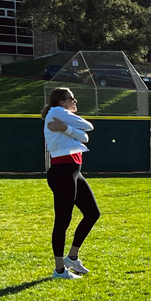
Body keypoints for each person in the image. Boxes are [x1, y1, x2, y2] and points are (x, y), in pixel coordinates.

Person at [42, 88, 100, 280]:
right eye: (71, 98)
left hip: (72, 171)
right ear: (60, 102)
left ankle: (72, 257)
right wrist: (68, 129)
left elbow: (85, 137)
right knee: (62, 221)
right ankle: (59, 270)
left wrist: (65, 129)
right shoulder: (58, 112)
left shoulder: (63, 118)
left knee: (92, 213)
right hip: (62, 172)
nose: (75, 101)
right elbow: (88, 126)